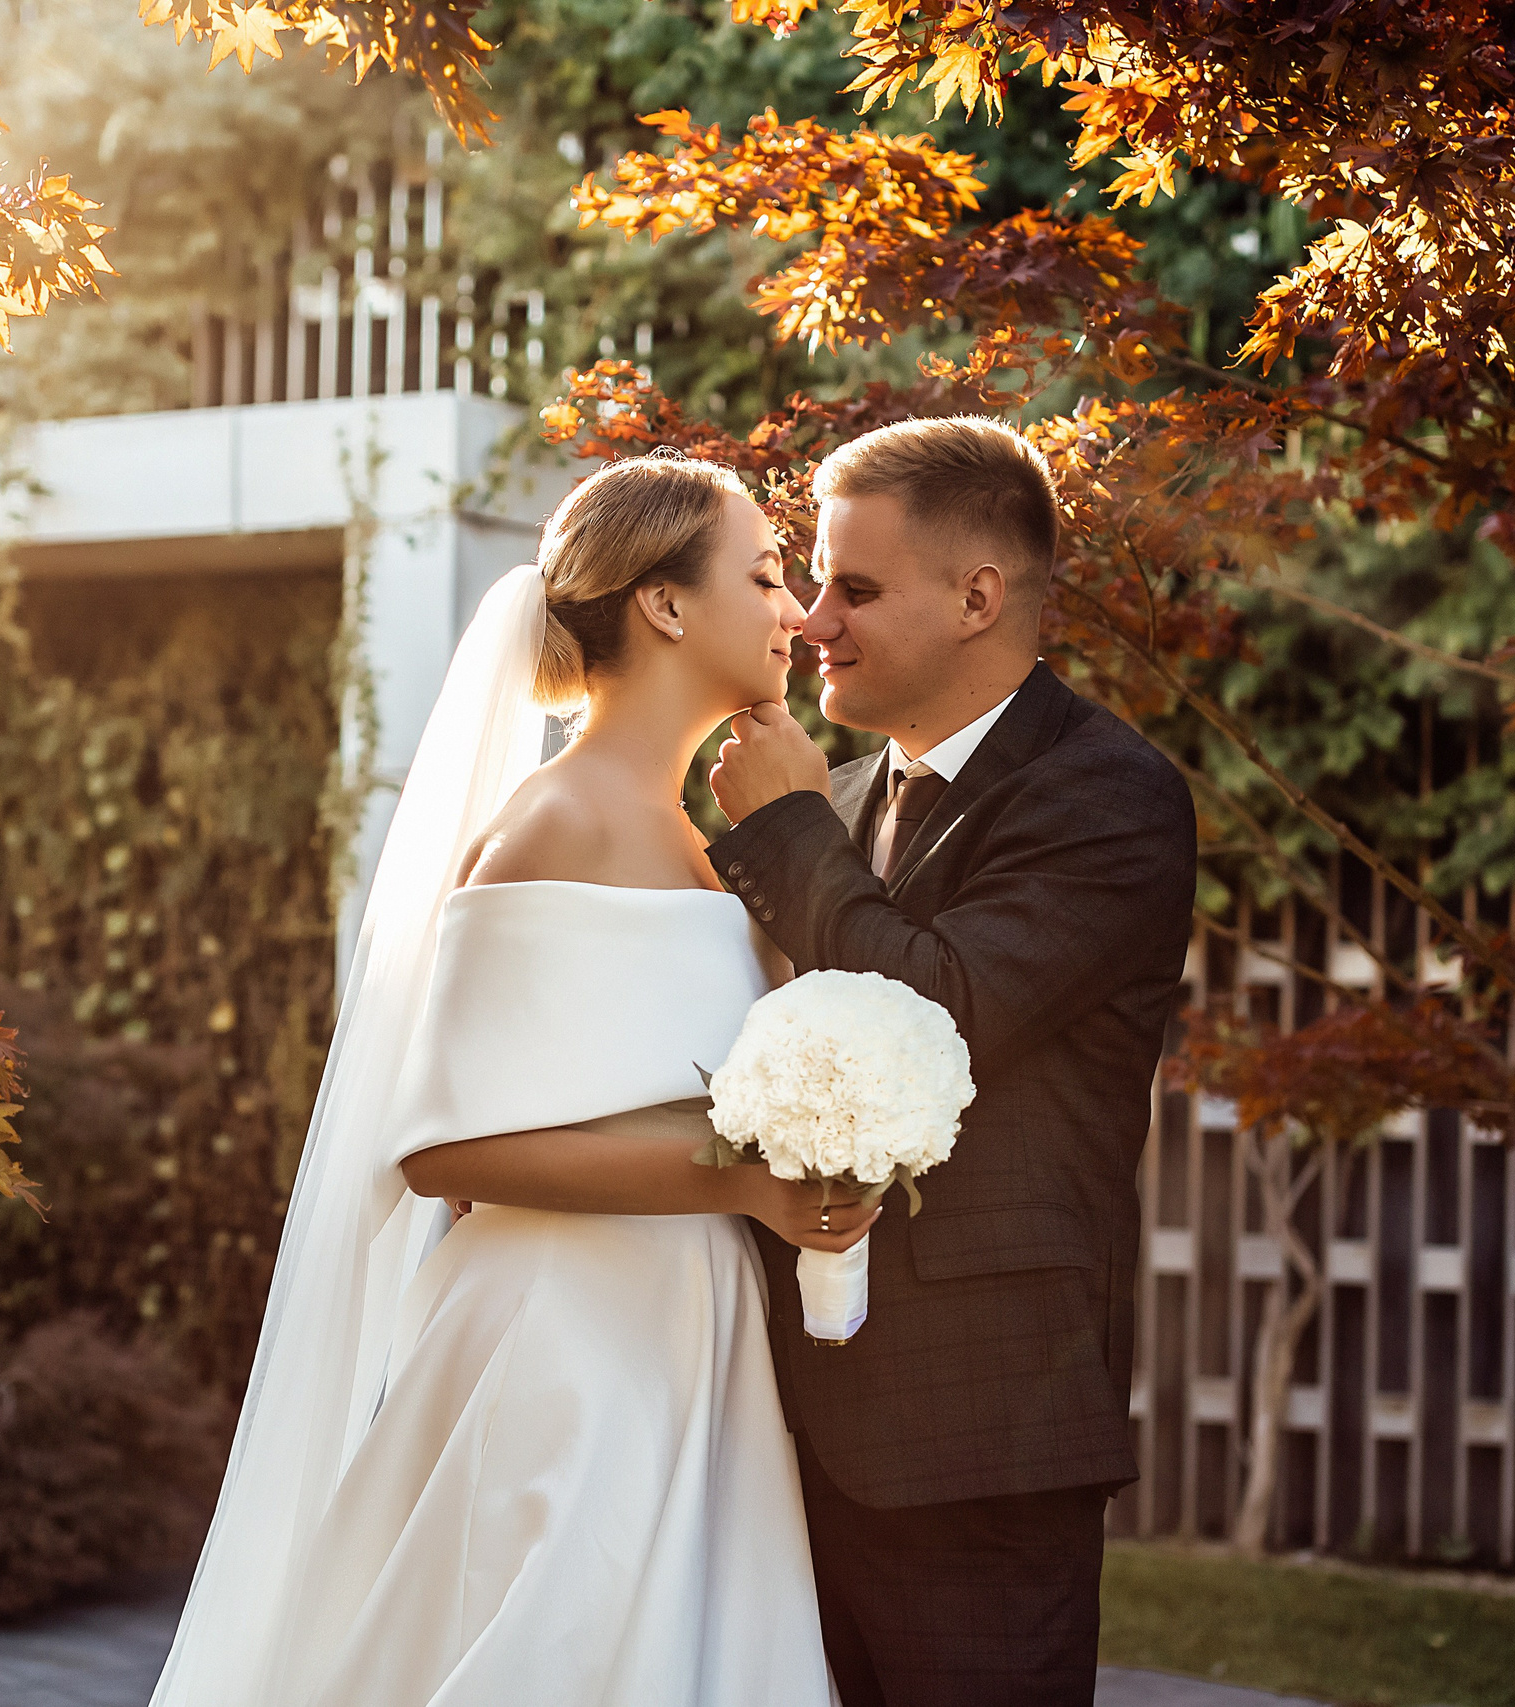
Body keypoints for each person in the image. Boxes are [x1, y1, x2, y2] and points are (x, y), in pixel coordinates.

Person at [147, 452, 863, 1707]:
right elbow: (444, 1152)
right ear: (665, 606)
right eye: (764, 575)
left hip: (686, 1332)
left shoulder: (703, 833)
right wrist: (743, 1187)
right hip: (563, 1340)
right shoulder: (556, 820)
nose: (796, 612)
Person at [707, 416, 1197, 1707]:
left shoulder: (1109, 795)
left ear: (981, 596)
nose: (813, 620)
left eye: (854, 587)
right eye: (812, 583)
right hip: (775, 1431)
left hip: (978, 1445)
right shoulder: (845, 794)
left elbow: (934, 1006)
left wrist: (791, 827)